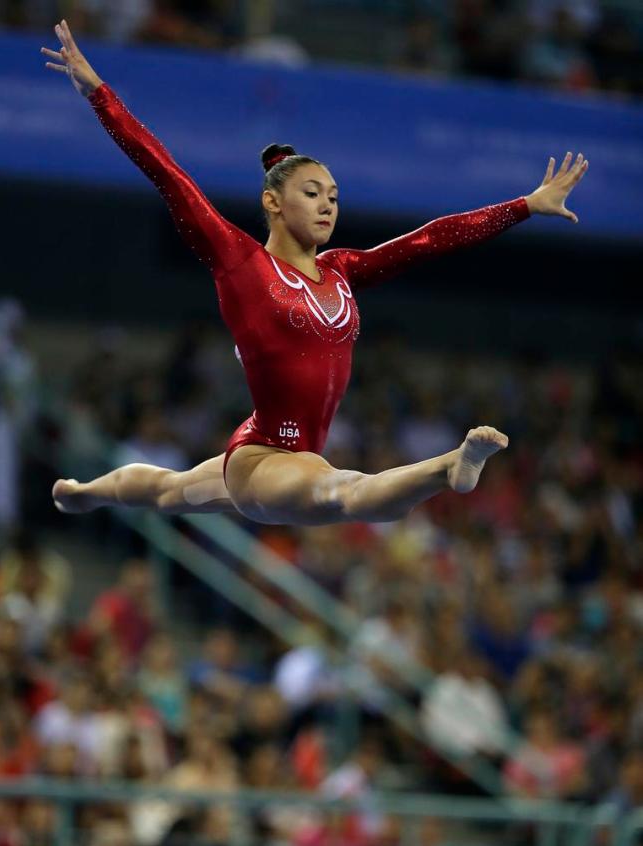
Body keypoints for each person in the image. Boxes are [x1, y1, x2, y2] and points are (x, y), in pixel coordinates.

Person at [42, 20, 588, 528]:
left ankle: (82, 491)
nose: (328, 206)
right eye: (311, 194)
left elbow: (431, 239)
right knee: (345, 494)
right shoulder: (240, 261)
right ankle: (448, 465)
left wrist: (523, 205)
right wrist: (99, 94)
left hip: (292, 460)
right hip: (265, 460)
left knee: (169, 491)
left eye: (333, 197)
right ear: (272, 203)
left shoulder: (343, 271)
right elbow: (166, 172)